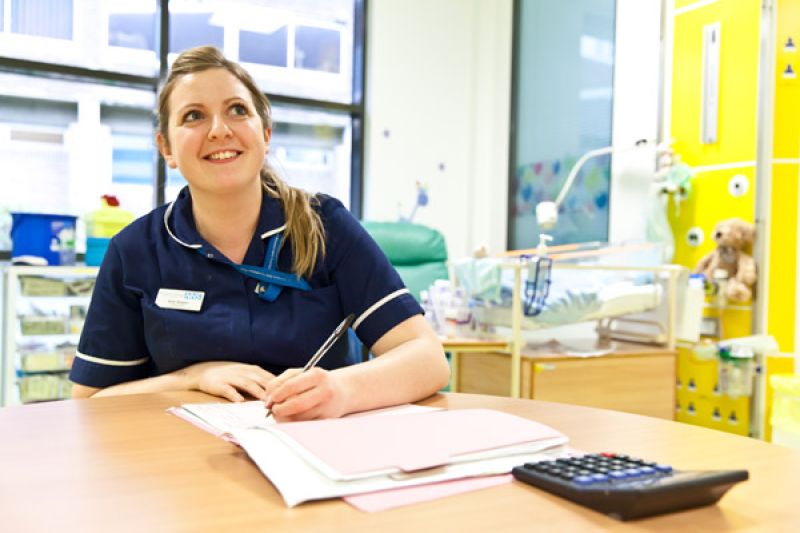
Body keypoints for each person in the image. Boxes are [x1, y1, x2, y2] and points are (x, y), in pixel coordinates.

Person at [69, 45, 450, 420]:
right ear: (165, 148)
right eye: (193, 116)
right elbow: (91, 400)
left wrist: (342, 389)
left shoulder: (325, 225)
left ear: (265, 134)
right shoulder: (134, 251)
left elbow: (427, 359)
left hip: (314, 450)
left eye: (237, 110)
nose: (219, 130)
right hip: (181, 463)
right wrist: (193, 378)